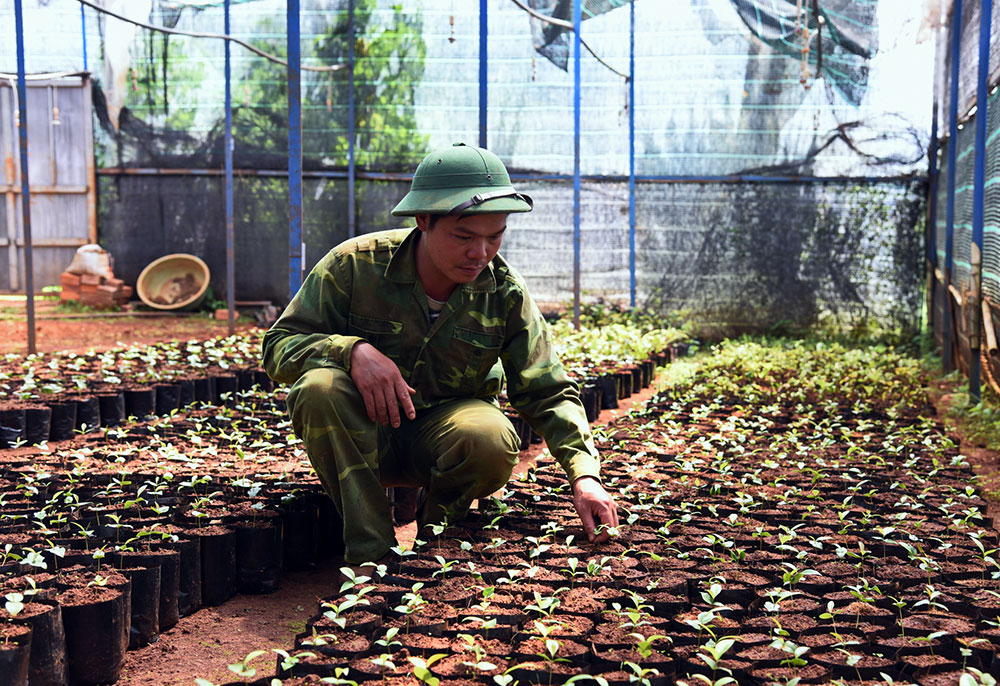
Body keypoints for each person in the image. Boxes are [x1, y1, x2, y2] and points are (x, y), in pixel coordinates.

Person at [262, 142, 618, 564]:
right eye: (464, 236)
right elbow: (278, 347)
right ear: (423, 220)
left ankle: (439, 553)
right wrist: (352, 351)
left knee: (488, 436)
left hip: (444, 442)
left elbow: (548, 389)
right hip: (361, 436)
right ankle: (371, 553)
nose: (480, 253)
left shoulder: (503, 292)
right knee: (319, 387)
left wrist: (585, 475)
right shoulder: (354, 267)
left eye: (495, 236)